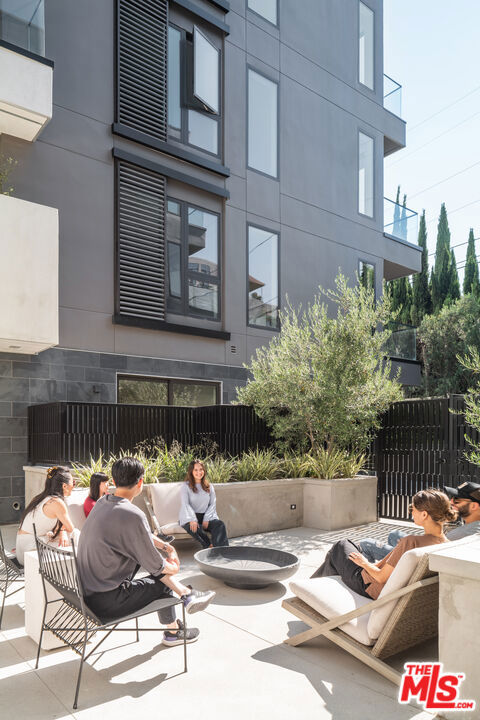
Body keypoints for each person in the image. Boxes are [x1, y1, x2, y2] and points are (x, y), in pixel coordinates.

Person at [77, 457, 216, 647]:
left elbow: (140, 535)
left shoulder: (103, 503)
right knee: (161, 580)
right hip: (106, 602)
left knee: (145, 558)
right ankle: (175, 629)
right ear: (140, 482)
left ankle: (185, 597)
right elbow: (159, 567)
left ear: (115, 481)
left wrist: (167, 547)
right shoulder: (133, 514)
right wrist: (173, 564)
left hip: (88, 592)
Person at [310, 489, 457, 600]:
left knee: (341, 545)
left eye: (413, 509)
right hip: (399, 593)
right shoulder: (447, 545)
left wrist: (364, 563)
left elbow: (380, 578)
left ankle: (313, 590)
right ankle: (317, 587)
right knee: (340, 555)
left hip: (369, 586)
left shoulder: (411, 542)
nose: (411, 511)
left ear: (424, 514)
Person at [358, 480, 480, 562]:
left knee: (367, 544)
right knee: (394, 534)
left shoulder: (465, 533)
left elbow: (432, 550)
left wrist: (410, 544)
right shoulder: (471, 526)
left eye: (457, 501)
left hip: (420, 560)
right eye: (452, 499)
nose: (452, 502)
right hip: (428, 554)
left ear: (474, 506)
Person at [16, 466, 78, 565]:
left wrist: (62, 531)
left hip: (23, 548)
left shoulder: (41, 497)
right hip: (31, 552)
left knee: (69, 538)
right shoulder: (56, 502)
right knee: (75, 535)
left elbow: (60, 523)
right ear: (64, 486)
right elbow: (70, 528)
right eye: (73, 483)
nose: (74, 486)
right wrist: (63, 531)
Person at [179, 460, 229, 548]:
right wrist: (192, 519)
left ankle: (223, 550)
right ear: (191, 471)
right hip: (190, 517)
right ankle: (209, 546)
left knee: (220, 524)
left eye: (201, 469)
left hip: (206, 516)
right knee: (192, 527)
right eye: (196, 470)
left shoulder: (209, 486)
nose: (199, 472)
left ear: (204, 471)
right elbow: (185, 504)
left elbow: (212, 504)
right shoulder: (186, 486)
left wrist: (206, 518)